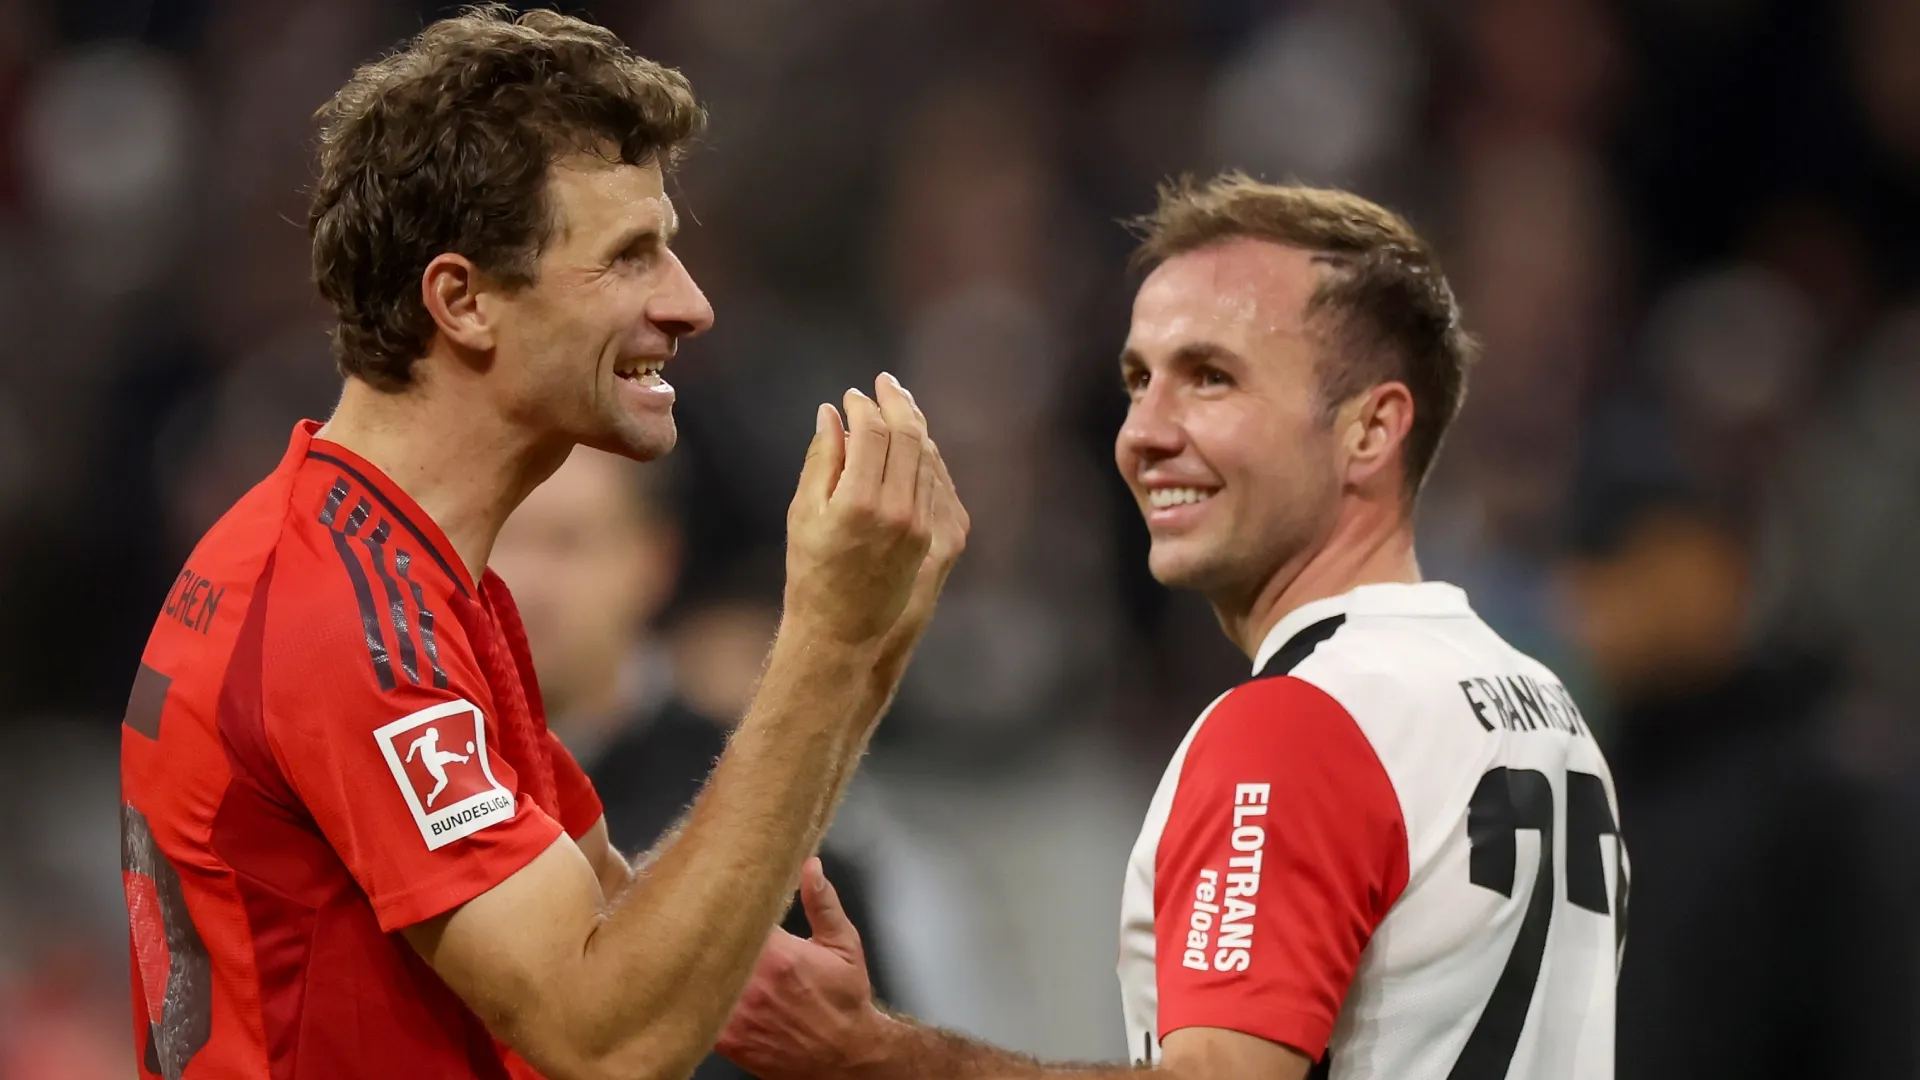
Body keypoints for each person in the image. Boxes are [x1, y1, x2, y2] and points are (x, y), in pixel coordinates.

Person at [116, 8, 967, 1080]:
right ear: (463, 301)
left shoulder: (406, 576)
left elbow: (609, 923)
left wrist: (868, 647)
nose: (689, 305)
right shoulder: (347, 616)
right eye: (630, 257)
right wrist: (829, 646)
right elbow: (603, 1039)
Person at [716, 174, 1629, 1080]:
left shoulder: (1299, 726)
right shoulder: (1540, 706)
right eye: (1138, 380)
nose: (1142, 433)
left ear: (1371, 430)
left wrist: (871, 1055)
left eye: (1210, 378)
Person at [490, 447, 900, 1080]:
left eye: (567, 544)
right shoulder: (412, 772)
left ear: (654, 560)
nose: (530, 581)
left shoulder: (763, 788)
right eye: (504, 536)